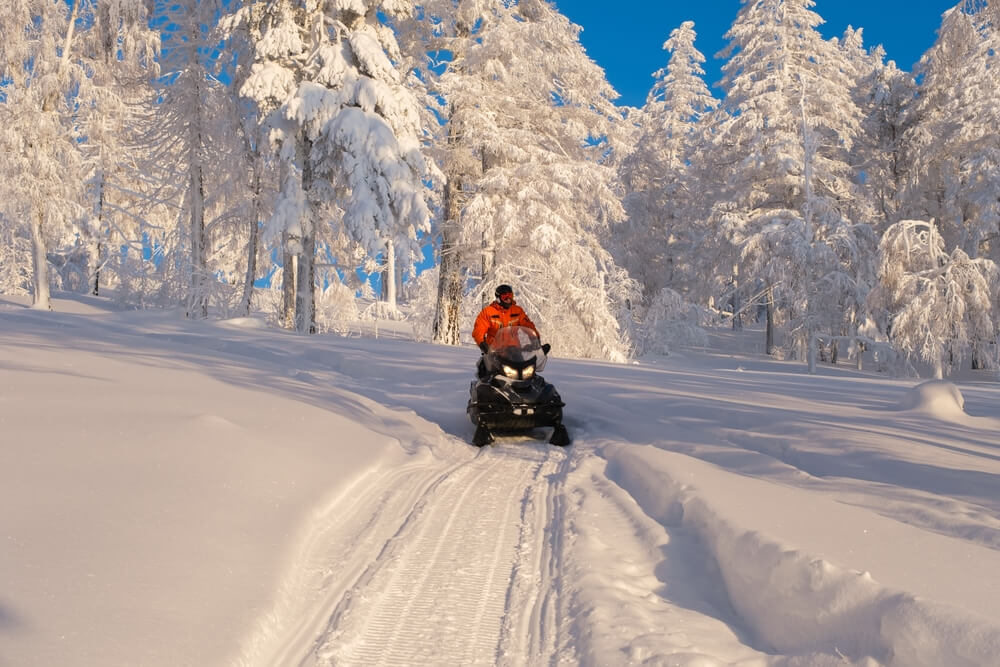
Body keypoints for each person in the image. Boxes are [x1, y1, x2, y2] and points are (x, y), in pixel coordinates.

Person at [472, 284, 539, 378]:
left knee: (528, 374)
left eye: (510, 296)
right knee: (490, 376)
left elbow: (528, 326)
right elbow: (478, 329)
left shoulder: (517, 310)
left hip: (515, 351)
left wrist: (535, 339)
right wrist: (482, 343)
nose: (508, 299)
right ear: (498, 298)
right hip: (494, 352)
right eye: (505, 296)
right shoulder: (488, 312)